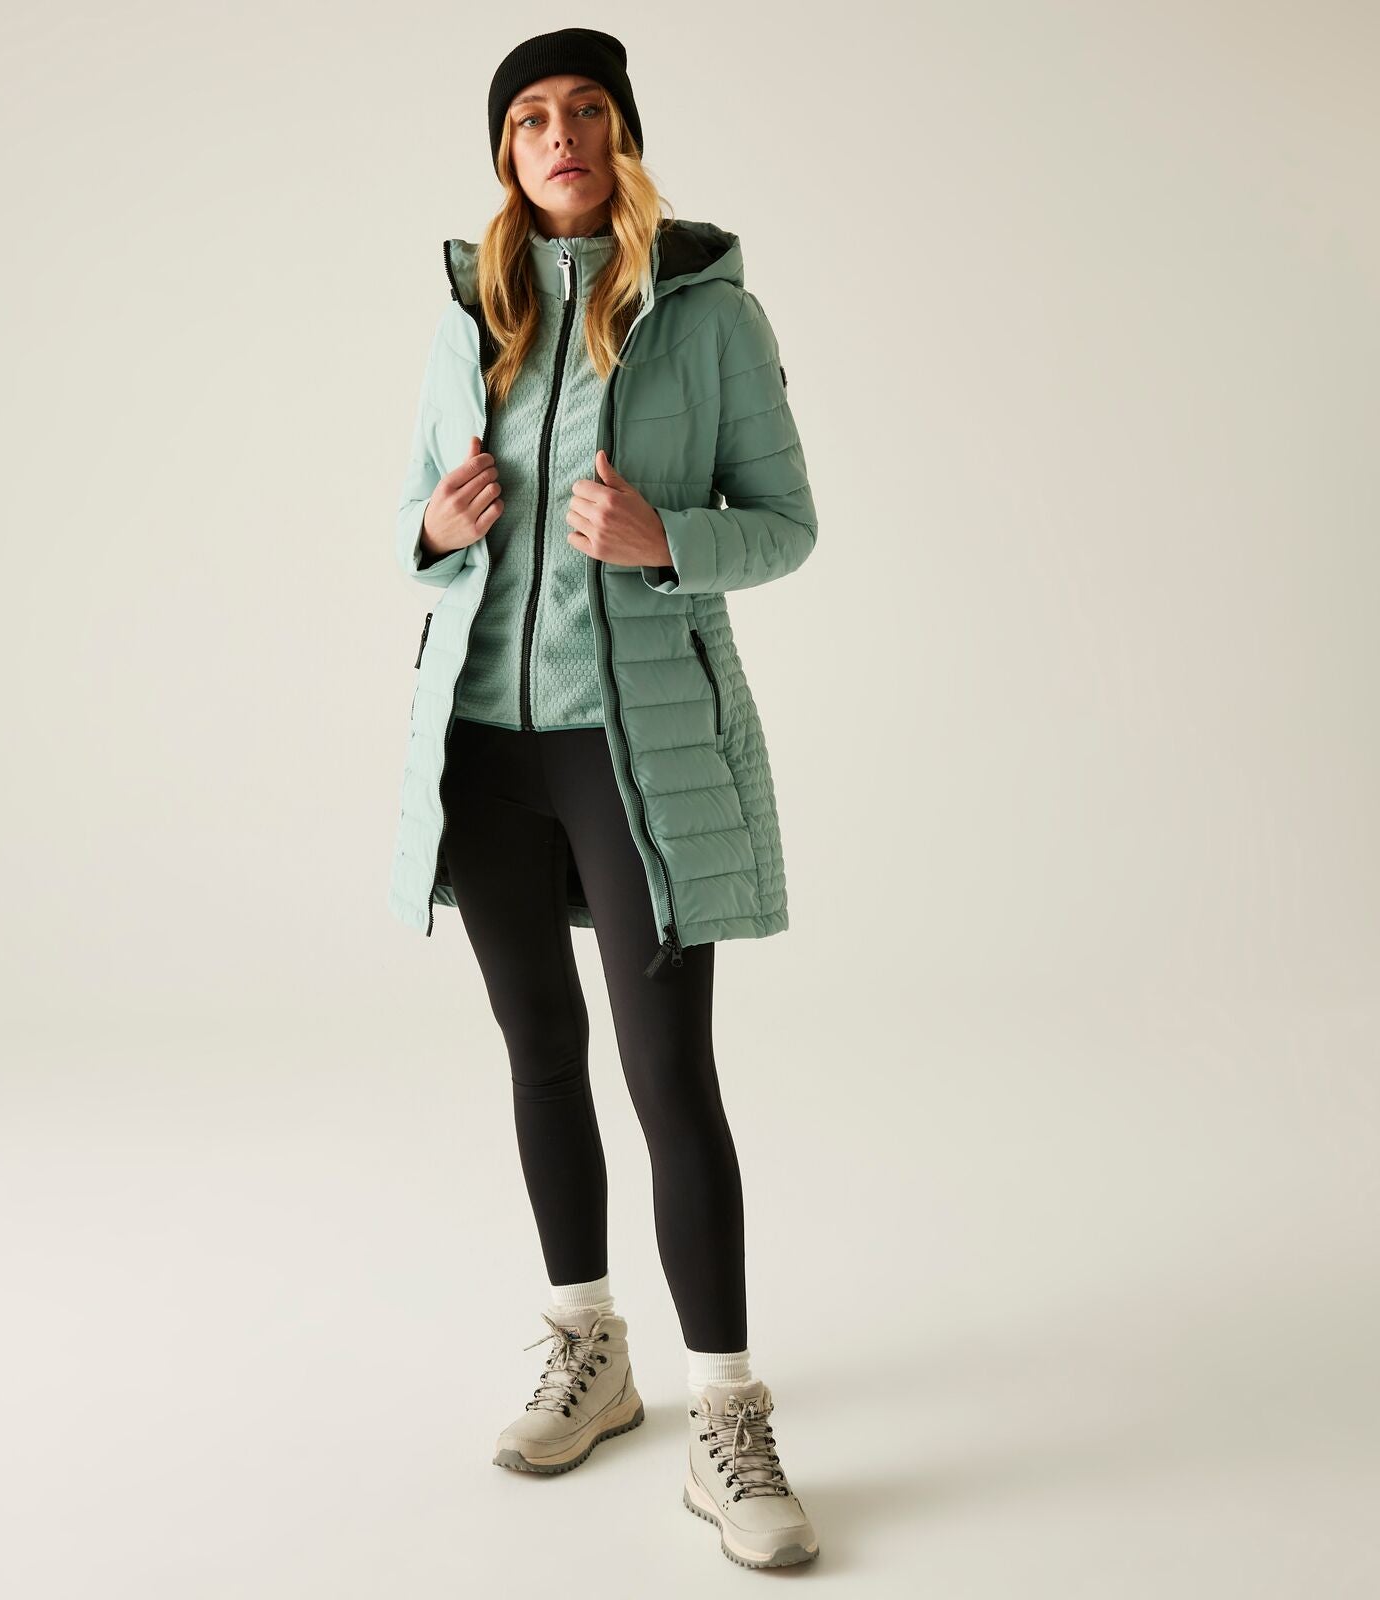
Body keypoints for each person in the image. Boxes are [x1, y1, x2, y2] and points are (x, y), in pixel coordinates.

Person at [388, 28, 820, 1570]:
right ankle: (590, 1347)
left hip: (631, 745)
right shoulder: (473, 318)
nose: (559, 133)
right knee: (540, 1052)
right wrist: (435, 532)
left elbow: (788, 524)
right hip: (483, 746)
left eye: (585, 111)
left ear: (622, 137)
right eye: (529, 117)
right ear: (504, 156)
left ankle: (729, 1414)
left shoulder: (709, 317)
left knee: (668, 1073)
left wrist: (666, 540)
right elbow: (413, 520)